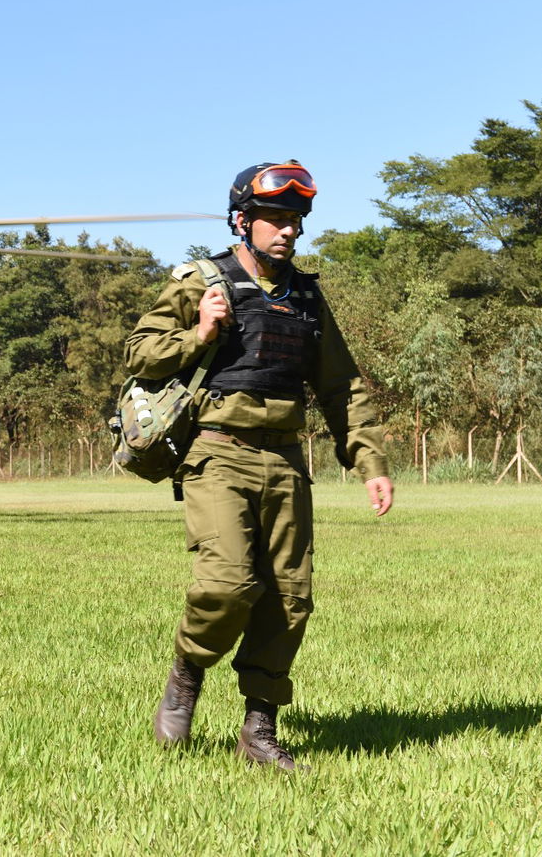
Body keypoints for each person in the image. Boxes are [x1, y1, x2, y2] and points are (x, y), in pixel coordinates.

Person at [125, 160, 394, 771]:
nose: (289, 232)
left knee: (289, 598)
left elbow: (341, 387)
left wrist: (369, 461)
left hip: (286, 460)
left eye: (296, 220)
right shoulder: (202, 280)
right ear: (243, 221)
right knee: (228, 584)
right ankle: (187, 674)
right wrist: (201, 331)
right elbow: (141, 353)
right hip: (217, 451)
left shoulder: (306, 296)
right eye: (276, 219)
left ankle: (259, 728)